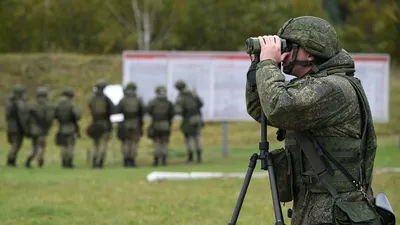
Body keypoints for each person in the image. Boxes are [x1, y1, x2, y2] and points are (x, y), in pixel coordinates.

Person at [245, 16, 381, 225]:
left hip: (336, 213)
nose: (284, 52)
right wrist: (258, 67)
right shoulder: (311, 87)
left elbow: (278, 108)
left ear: (309, 53)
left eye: (290, 46)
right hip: (315, 209)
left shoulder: (333, 88)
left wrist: (268, 64)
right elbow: (261, 110)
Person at [87, 79, 115, 168]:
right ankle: (100, 162)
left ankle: (94, 161)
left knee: (96, 144)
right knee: (103, 144)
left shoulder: (92, 98)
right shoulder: (106, 99)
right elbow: (113, 110)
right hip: (105, 124)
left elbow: (90, 108)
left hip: (95, 124)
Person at [174, 80, 204, 163]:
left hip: (188, 120)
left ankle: (190, 158)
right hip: (197, 118)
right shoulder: (193, 93)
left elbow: (178, 111)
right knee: (197, 138)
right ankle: (199, 158)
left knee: (188, 139)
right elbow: (201, 104)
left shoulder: (180, 97)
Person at [25, 86, 55, 168]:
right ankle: (40, 161)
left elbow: (27, 118)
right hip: (42, 130)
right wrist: (48, 127)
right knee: (41, 146)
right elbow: (49, 118)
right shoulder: (48, 105)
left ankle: (29, 160)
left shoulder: (32, 104)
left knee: (34, 147)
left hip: (33, 130)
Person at [116, 82, 144, 167]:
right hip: (135, 124)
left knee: (125, 142)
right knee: (133, 143)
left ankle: (125, 160)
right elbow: (142, 112)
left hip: (125, 124)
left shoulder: (123, 100)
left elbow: (117, 111)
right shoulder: (138, 100)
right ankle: (132, 160)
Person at [146, 85, 174, 166]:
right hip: (166, 125)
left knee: (157, 143)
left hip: (156, 125)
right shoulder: (168, 103)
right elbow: (172, 114)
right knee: (164, 143)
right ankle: (164, 160)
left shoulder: (153, 102)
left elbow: (149, 111)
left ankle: (156, 160)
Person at [54, 87, 81, 168]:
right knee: (70, 146)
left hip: (61, 127)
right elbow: (78, 116)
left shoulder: (57, 104)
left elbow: (54, 114)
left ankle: (63, 162)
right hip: (70, 127)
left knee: (63, 146)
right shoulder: (71, 104)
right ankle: (68, 163)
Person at [4, 84, 29, 167]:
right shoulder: (19, 103)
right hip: (17, 127)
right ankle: (10, 161)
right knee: (16, 144)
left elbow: (7, 115)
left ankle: (12, 160)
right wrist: (26, 129)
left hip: (10, 126)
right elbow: (22, 117)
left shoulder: (9, 101)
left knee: (14, 144)